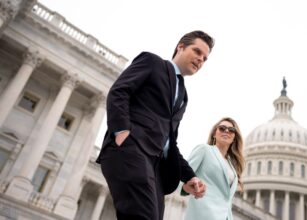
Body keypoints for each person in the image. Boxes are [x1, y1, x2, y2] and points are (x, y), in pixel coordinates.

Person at [96, 30, 214, 220]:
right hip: (130, 151)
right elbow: (119, 92)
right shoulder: (152, 62)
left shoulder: (183, 95)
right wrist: (122, 131)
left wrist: (190, 176)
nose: (200, 60)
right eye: (197, 51)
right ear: (181, 47)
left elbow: (170, 141)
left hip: (155, 169)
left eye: (205, 58)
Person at [182, 117, 245, 220]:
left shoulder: (232, 165)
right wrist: (185, 188)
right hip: (203, 214)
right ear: (214, 134)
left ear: (234, 138)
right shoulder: (204, 150)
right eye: (222, 128)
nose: (226, 131)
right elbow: (182, 174)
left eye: (231, 130)